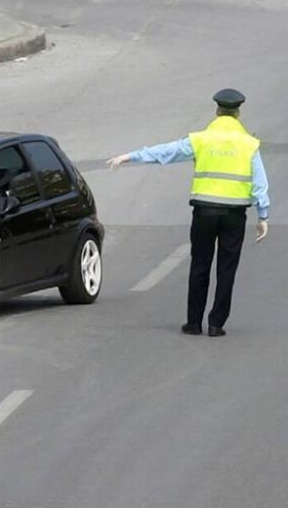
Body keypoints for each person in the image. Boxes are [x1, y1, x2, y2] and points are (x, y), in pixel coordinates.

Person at [106, 89, 270, 337]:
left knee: (200, 264)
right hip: (234, 216)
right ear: (238, 113)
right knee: (227, 268)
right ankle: (216, 324)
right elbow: (260, 182)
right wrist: (263, 215)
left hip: (204, 213)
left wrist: (129, 157)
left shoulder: (200, 139)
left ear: (217, 111)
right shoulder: (249, 144)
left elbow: (165, 152)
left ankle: (193, 322)